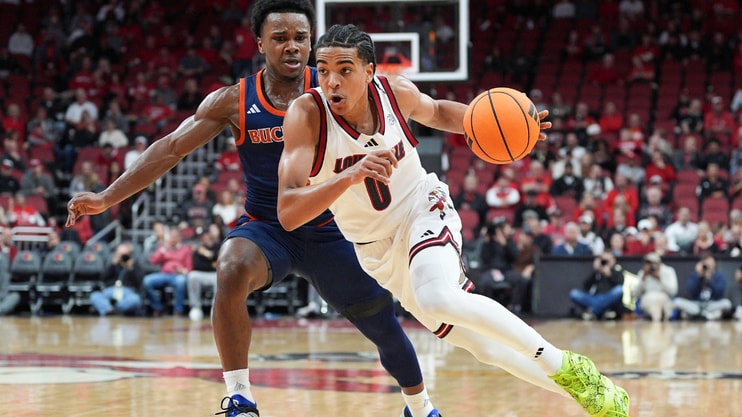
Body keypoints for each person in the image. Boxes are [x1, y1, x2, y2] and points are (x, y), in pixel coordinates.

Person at [66, 3, 442, 417]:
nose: (293, 47)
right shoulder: (234, 101)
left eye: (301, 38)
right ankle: (240, 397)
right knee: (230, 267)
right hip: (268, 228)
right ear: (260, 43)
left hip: (336, 230)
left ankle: (419, 405)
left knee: (382, 325)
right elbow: (170, 149)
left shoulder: (340, 86)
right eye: (280, 38)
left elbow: (402, 118)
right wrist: (106, 198)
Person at [276, 24, 629, 417]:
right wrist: (350, 174)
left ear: (370, 71)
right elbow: (288, 212)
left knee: (437, 297)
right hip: (375, 250)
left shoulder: (395, 92)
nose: (331, 81)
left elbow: (440, 111)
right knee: (483, 347)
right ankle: (598, 399)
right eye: (322, 70)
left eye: (344, 69)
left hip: (421, 208)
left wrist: (506, 126)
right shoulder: (306, 115)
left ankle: (560, 362)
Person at [142, 227, 191, 317]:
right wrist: (164, 249)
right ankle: (158, 308)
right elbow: (154, 261)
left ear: (179, 238)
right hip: (163, 274)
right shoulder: (163, 248)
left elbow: (189, 268)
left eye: (174, 237)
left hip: (177, 275)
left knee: (181, 281)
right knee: (147, 281)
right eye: (170, 237)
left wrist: (182, 271)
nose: (172, 239)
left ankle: (178, 310)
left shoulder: (185, 249)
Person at [89, 242, 145, 316]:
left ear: (129, 255)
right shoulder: (113, 264)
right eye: (119, 254)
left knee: (135, 300)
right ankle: (109, 309)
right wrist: (112, 265)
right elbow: (103, 278)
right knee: (94, 296)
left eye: (124, 255)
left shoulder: (135, 265)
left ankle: (113, 310)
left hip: (127, 291)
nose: (122, 257)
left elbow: (140, 281)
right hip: (112, 289)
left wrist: (131, 268)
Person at [672, 253, 731, 321]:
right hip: (696, 304)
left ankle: (698, 315)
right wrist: (699, 277)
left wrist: (709, 280)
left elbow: (719, 293)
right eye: (706, 263)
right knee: (677, 301)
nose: (708, 265)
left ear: (714, 264)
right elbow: (690, 291)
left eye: (711, 263)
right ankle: (705, 314)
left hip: (711, 304)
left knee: (727, 303)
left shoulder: (719, 276)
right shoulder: (694, 275)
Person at [569, 252, 625, 321]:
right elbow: (586, 286)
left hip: (608, 298)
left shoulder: (617, 271)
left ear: (613, 261)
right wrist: (595, 271)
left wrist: (609, 275)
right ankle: (601, 310)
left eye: (608, 260)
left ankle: (594, 311)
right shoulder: (597, 272)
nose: (605, 263)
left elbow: (620, 284)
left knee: (619, 290)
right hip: (594, 298)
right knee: (574, 293)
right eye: (603, 260)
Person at [631, 252, 678, 322]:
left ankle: (659, 319)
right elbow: (634, 294)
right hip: (648, 298)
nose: (651, 266)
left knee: (660, 304)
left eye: (653, 263)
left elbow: (673, 292)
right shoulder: (642, 273)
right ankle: (657, 320)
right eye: (648, 263)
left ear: (659, 263)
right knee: (654, 305)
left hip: (664, 298)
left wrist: (660, 279)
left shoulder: (668, 271)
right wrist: (643, 279)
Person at [187, 226, 221, 321]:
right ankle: (195, 307)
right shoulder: (197, 248)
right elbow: (197, 265)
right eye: (203, 237)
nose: (206, 238)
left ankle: (216, 308)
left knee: (220, 278)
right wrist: (211, 263)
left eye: (207, 235)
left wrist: (207, 254)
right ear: (200, 239)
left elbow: (220, 261)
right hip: (201, 274)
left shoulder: (218, 245)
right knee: (192, 276)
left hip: (215, 274)